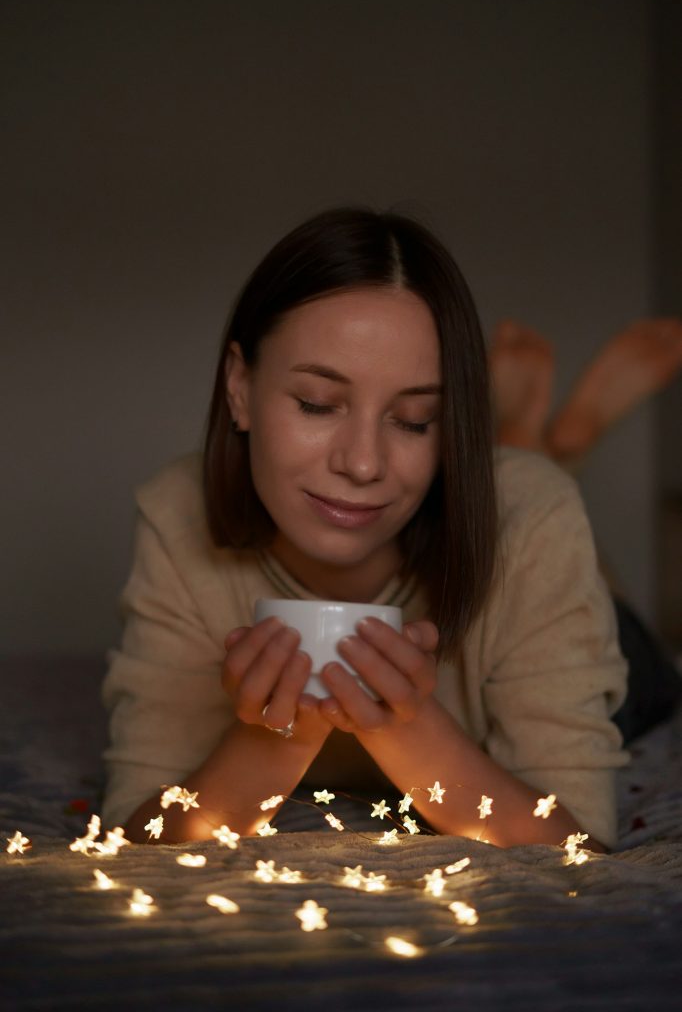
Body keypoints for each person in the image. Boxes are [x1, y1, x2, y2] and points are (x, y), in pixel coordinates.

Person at [101, 207, 629, 851]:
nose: (362, 463)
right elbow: (135, 834)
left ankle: (533, 447)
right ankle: (521, 432)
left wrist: (405, 726)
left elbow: (582, 842)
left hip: (595, 626)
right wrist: (279, 733)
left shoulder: (533, 518)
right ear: (239, 387)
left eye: (413, 420)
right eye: (318, 405)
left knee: (572, 553)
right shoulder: (177, 512)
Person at [489, 317, 682, 742]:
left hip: (578, 661)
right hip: (596, 657)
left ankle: (535, 463)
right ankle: (541, 463)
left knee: (613, 642)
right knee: (614, 641)